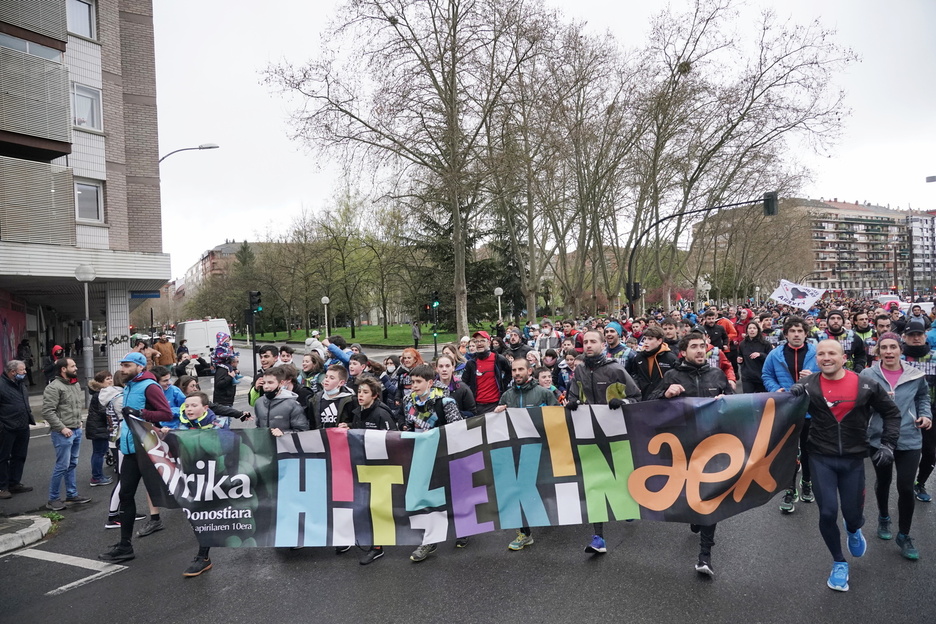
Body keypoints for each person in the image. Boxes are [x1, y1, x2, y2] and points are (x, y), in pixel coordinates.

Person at [789, 339, 901, 591]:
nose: (826, 358)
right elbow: (786, 398)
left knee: (852, 516)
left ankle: (853, 530)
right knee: (827, 512)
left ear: (843, 357)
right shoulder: (809, 384)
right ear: (816, 358)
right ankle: (839, 562)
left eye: (831, 353)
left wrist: (887, 444)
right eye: (821, 354)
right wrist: (791, 392)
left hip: (853, 460)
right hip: (820, 457)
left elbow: (891, 413)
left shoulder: (865, 384)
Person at [648, 332, 734, 578]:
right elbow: (648, 403)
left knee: (709, 498)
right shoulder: (672, 376)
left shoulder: (716, 375)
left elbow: (737, 405)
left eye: (702, 346)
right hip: (683, 448)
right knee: (690, 495)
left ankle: (705, 555)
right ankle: (695, 517)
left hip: (712, 447)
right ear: (683, 352)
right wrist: (665, 394)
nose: (699, 350)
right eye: (694, 347)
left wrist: (726, 400)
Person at [567, 329, 641, 554]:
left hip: (615, 433)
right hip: (589, 433)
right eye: (585, 342)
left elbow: (637, 397)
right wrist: (571, 404)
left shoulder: (616, 369)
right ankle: (598, 537)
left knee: (618, 474)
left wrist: (623, 402)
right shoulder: (579, 370)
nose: (588, 345)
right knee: (594, 483)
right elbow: (572, 395)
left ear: (602, 345)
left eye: (593, 342)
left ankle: (626, 503)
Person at [860, 332, 932, 560]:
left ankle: (904, 534)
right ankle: (883, 517)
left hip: (909, 437)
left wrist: (925, 415)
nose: (889, 352)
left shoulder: (915, 373)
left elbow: (923, 397)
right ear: (877, 351)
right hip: (879, 438)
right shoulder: (867, 374)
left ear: (901, 350)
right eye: (884, 348)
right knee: (883, 482)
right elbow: (859, 403)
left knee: (905, 487)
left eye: (893, 347)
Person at [98, 352, 173, 565]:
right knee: (126, 494)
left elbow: (166, 413)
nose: (123, 369)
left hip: (147, 449)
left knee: (171, 492)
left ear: (140, 367)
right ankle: (125, 545)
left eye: (127, 365)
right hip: (130, 449)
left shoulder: (150, 386)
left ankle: (202, 546)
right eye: (122, 365)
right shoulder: (130, 385)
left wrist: (140, 412)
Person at [494, 358, 559, 551]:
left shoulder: (544, 393)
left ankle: (553, 513)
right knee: (517, 490)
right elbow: (499, 426)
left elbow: (558, 419)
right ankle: (524, 533)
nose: (516, 373)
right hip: (515, 451)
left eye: (521, 369)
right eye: (514, 370)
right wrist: (496, 414)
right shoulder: (507, 395)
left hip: (540, 449)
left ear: (529, 371)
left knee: (542, 488)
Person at [403, 364, 463, 563]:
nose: (414, 386)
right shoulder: (407, 401)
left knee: (451, 497)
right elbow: (407, 425)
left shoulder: (445, 402)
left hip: (443, 457)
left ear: (430, 382)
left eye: (418, 382)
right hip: (420, 458)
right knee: (425, 500)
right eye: (412, 382)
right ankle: (429, 540)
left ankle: (463, 527)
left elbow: (458, 430)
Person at [762, 316, 818, 514]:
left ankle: (808, 481)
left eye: (800, 331)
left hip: (811, 409)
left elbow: (830, 374)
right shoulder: (775, 354)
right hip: (787, 408)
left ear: (805, 334)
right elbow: (767, 374)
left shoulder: (817, 352)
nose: (796, 334)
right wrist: (776, 389)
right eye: (792, 331)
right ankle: (789, 489)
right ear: (786, 334)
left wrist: (813, 377)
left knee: (810, 450)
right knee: (790, 452)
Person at [351, 376, 398, 565]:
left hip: (381, 469)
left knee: (376, 507)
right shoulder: (357, 412)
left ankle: (377, 547)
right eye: (359, 391)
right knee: (364, 506)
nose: (360, 395)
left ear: (375, 395)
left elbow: (393, 439)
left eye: (365, 392)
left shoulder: (381, 414)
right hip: (363, 466)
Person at [42, 358, 91, 511]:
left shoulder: (74, 384)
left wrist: (79, 422)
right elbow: (47, 412)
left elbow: (74, 407)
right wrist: (62, 428)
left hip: (75, 430)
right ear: (63, 369)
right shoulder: (54, 387)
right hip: (63, 433)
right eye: (73, 366)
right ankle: (53, 499)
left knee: (72, 464)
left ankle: (72, 494)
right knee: (62, 466)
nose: (76, 368)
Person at [0, 360, 34, 499]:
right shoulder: (1, 385)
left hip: (22, 426)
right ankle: (2, 487)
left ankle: (14, 483)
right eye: (22, 370)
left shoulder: (20, 384)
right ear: (13, 372)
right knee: (3, 458)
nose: (25, 372)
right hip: (6, 428)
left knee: (19, 456)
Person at [461, 331, 511, 415]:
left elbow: (509, 373)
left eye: (482, 341)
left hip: (496, 404)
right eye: (477, 341)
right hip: (477, 406)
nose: (479, 343)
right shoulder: (471, 363)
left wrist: (503, 385)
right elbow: (464, 383)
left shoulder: (498, 359)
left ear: (488, 342)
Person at [626, 326, 677, 400]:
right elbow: (634, 374)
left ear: (659, 341)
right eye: (645, 339)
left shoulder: (670, 358)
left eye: (650, 339)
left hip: (662, 400)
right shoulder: (639, 357)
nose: (646, 342)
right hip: (642, 399)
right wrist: (636, 386)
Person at [255, 367, 309, 437]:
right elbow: (258, 427)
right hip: (265, 446)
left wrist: (283, 433)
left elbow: (302, 431)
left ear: (281, 383)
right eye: (264, 383)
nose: (266, 386)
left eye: (270, 383)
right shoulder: (259, 402)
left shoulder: (293, 405)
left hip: (284, 446)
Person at [86, 371, 115, 488]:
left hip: (97, 427)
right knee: (99, 452)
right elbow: (104, 411)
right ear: (100, 382)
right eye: (107, 379)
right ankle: (96, 477)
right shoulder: (100, 394)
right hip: (99, 427)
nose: (110, 381)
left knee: (99, 452)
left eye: (111, 378)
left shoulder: (99, 393)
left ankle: (98, 476)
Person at [308, 365, 356, 430]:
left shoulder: (350, 400)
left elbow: (357, 423)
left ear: (341, 383)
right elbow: (311, 423)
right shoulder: (315, 399)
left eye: (332, 378)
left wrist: (349, 426)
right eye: (326, 377)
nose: (326, 380)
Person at [737, 322, 772, 393]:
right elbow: (740, 355)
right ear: (747, 330)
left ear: (758, 330)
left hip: (761, 376)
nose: (752, 330)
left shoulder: (765, 343)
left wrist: (760, 355)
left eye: (754, 328)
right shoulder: (742, 344)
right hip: (747, 377)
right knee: (748, 400)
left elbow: (771, 358)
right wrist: (739, 359)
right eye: (750, 328)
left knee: (762, 401)